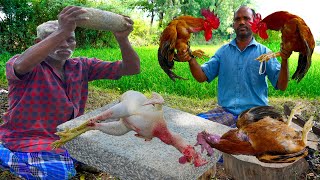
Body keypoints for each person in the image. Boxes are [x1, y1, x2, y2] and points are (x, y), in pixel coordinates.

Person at [0, 6, 140, 179]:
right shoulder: (27, 65)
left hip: (67, 137)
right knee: (60, 173)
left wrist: (122, 39)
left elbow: (132, 68)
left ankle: (66, 157)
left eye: (70, 39)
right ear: (39, 43)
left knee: (111, 147)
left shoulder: (81, 66)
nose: (65, 45)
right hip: (28, 139)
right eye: (57, 39)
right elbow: (20, 65)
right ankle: (4, 154)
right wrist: (63, 30)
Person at [179, 5, 290, 128]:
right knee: (197, 126)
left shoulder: (265, 53)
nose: (242, 22)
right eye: (237, 19)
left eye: (246, 18)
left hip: (256, 114)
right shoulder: (223, 52)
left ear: (254, 22)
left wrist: (284, 60)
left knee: (262, 141)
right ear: (233, 24)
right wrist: (190, 59)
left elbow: (282, 85)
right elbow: (202, 76)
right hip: (227, 112)